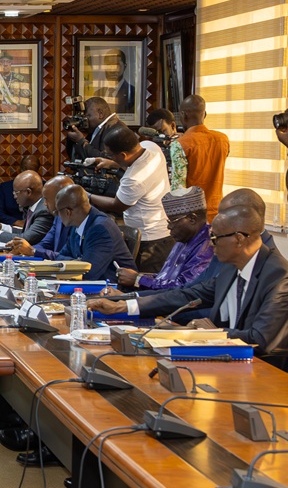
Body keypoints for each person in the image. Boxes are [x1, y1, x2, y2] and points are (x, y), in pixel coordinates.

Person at [89, 205, 288, 355]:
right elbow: (187, 295)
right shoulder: (231, 266)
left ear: (238, 239)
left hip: (263, 371)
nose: (211, 244)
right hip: (223, 356)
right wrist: (123, 306)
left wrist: (217, 333)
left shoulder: (278, 276)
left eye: (215, 238)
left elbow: (261, 339)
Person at [91, 124, 174, 273]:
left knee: (143, 281)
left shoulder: (134, 179)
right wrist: (112, 163)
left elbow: (117, 205)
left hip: (149, 241)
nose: (108, 157)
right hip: (163, 233)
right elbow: (133, 161)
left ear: (123, 155)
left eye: (110, 155)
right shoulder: (150, 147)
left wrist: (87, 196)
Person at [26, 184, 135, 282]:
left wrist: (77, 264)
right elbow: (62, 255)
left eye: (57, 212)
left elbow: (88, 272)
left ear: (68, 212)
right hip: (90, 284)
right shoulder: (78, 224)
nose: (58, 216)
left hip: (113, 289)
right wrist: (77, 262)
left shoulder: (100, 229)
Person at [115, 187, 214, 291]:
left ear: (192, 219)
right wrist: (138, 277)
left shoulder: (207, 247)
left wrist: (138, 279)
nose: (169, 227)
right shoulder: (184, 238)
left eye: (172, 221)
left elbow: (184, 289)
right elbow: (164, 278)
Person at [178, 95, 230, 221]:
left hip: (191, 214)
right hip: (216, 210)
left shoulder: (181, 144)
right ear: (205, 114)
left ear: (183, 115)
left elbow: (178, 187)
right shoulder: (222, 139)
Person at [8, 176, 75, 260]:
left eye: (46, 199)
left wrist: (33, 251)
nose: (44, 204)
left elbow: (70, 258)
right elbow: (45, 244)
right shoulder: (58, 217)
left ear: (61, 199)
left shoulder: (78, 222)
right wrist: (23, 249)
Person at [0, 171, 53, 245]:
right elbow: (27, 232)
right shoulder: (32, 206)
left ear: (28, 192)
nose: (14, 196)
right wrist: (1, 227)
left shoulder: (44, 211)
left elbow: (25, 239)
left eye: (16, 192)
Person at [65, 96, 120, 161]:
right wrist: (74, 133)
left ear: (100, 114)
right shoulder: (97, 129)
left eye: (87, 116)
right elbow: (78, 157)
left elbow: (105, 160)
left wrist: (81, 141)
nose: (85, 120)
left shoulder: (116, 131)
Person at [0, 155, 40, 226]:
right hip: (11, 226)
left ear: (38, 171)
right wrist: (16, 222)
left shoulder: (44, 189)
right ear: (20, 169)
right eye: (25, 170)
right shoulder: (6, 187)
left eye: (32, 171)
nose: (28, 174)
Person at [145, 108, 187, 191]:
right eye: (155, 133)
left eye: (162, 131)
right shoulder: (152, 148)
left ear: (173, 125)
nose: (159, 136)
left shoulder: (184, 143)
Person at [93, 49, 135, 114]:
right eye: (109, 64)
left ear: (125, 66)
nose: (112, 69)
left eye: (117, 65)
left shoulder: (133, 94)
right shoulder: (97, 94)